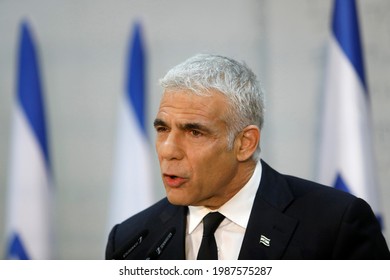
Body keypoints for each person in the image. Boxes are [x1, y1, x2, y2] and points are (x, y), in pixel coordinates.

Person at [105, 54, 390, 260]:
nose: (168, 150)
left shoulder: (335, 225)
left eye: (194, 132)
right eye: (162, 128)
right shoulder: (130, 240)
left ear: (245, 143)